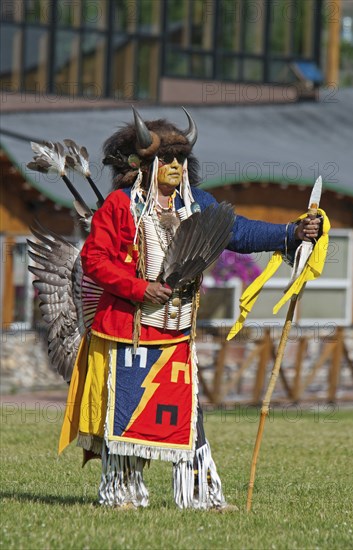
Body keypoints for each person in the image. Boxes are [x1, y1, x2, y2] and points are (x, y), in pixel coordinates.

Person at [60, 108, 320, 511]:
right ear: (143, 164)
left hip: (176, 334)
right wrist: (139, 288)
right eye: (168, 159)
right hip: (129, 329)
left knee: (187, 414)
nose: (176, 166)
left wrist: (291, 232)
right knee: (126, 412)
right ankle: (123, 492)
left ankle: (202, 495)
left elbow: (239, 231)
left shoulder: (195, 203)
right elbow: (96, 261)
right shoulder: (119, 206)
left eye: (182, 159)